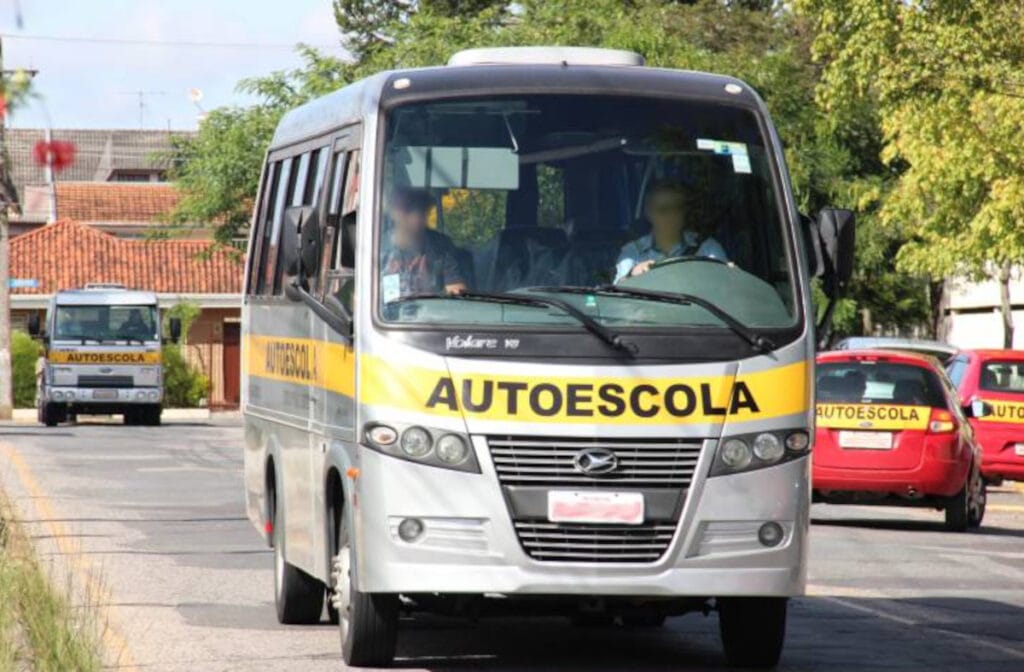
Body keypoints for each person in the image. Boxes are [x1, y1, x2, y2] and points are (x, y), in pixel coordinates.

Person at [614, 180, 727, 282]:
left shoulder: (707, 248)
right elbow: (615, 296)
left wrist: (730, 276)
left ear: (684, 212)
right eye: (663, 210)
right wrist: (631, 276)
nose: (671, 216)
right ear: (649, 213)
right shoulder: (633, 253)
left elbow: (726, 290)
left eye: (677, 208)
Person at [380, 187, 467, 303]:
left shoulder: (441, 247)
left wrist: (429, 291)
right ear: (393, 212)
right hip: (386, 319)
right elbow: (361, 300)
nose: (416, 215)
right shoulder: (377, 247)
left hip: (430, 317)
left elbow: (459, 297)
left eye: (421, 208)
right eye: (406, 209)